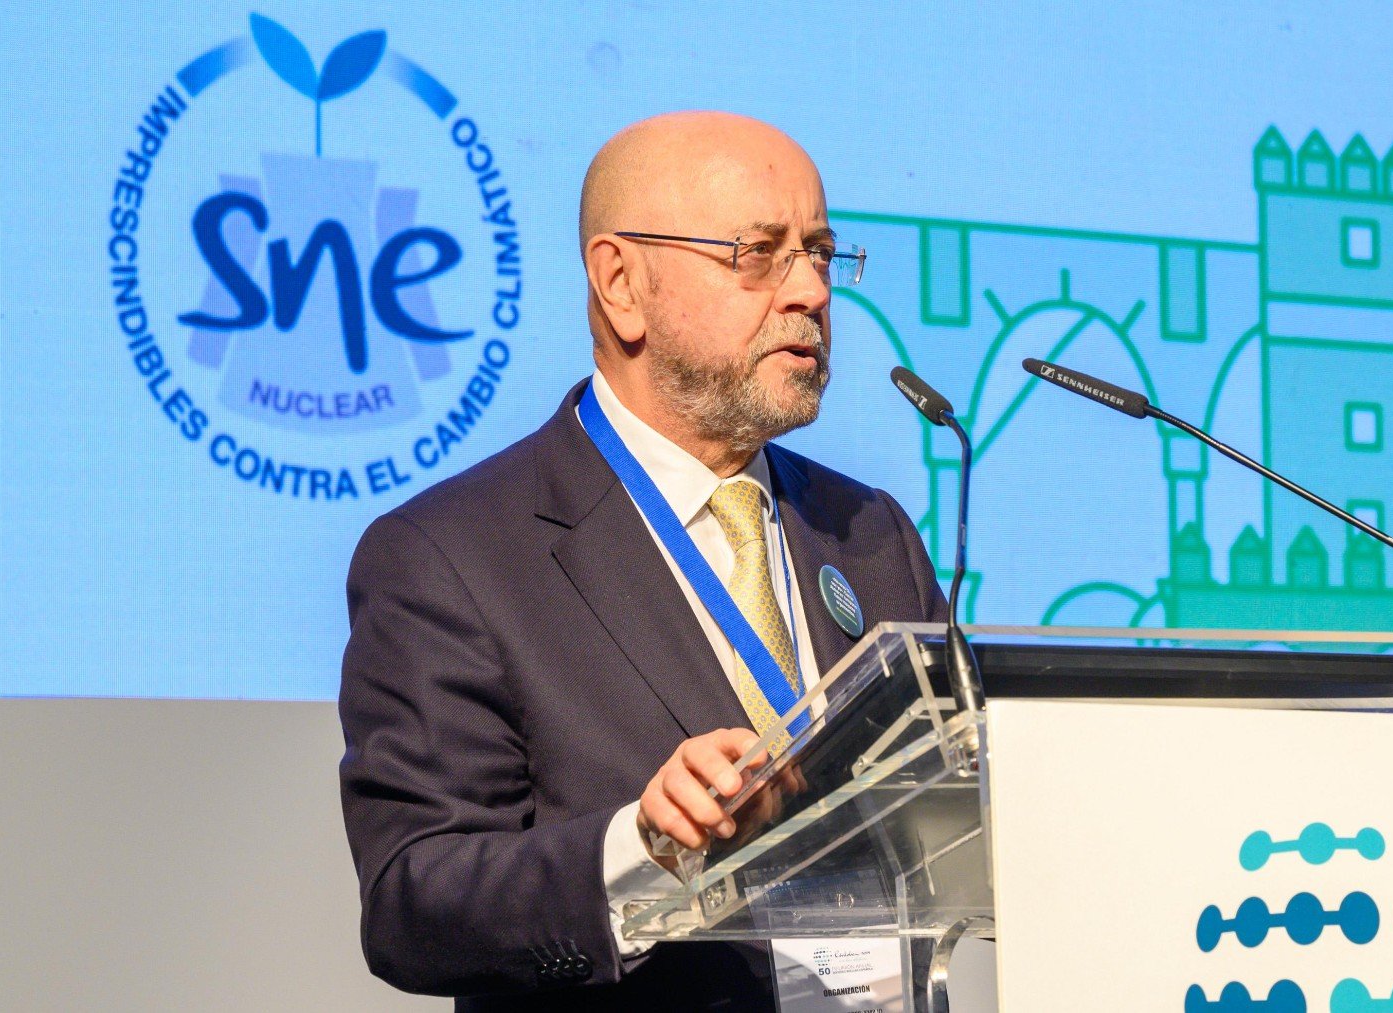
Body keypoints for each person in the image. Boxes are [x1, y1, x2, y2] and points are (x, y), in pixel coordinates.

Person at [337, 110, 948, 1011]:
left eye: (819, 252)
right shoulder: (451, 557)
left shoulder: (871, 531)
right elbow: (413, 901)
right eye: (758, 252)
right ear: (620, 283)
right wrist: (641, 850)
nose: (811, 292)